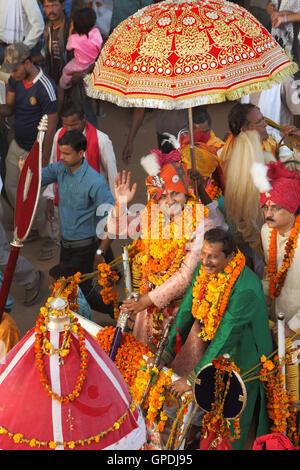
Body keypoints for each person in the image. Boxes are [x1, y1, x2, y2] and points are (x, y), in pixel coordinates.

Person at [108, 150, 227, 376]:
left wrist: (147, 300)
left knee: (177, 381)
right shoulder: (151, 215)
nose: (170, 201)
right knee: (146, 374)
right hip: (149, 310)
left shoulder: (203, 223)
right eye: (163, 197)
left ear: (186, 191)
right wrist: (120, 204)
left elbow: (185, 277)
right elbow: (116, 229)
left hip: (183, 314)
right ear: (154, 199)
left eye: (176, 194)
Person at [156, 228, 273, 450]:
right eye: (203, 254)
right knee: (214, 410)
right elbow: (186, 312)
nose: (205, 261)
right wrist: (167, 353)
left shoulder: (245, 288)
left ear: (230, 257)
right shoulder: (205, 269)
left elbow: (225, 337)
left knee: (235, 421)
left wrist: (191, 380)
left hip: (247, 356)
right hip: (219, 352)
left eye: (213, 256)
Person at [39, 129, 115, 314]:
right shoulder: (60, 168)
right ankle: (118, 313)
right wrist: (25, 167)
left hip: (85, 248)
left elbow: (113, 222)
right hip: (66, 245)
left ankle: (118, 313)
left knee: (60, 280)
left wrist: (99, 252)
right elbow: (37, 178)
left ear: (81, 154)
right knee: (82, 291)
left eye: (67, 153)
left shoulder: (95, 182)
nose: (62, 157)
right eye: (61, 153)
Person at [0, 42, 59, 261]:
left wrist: (43, 161)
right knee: (12, 188)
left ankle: (52, 238)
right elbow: (10, 108)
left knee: (41, 198)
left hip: (37, 151)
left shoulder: (45, 87)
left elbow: (51, 128)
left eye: (15, 68)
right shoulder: (15, 80)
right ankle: (31, 227)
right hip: (18, 146)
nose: (12, 74)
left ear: (27, 63)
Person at [43, 101, 118, 263]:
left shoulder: (102, 140)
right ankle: (107, 270)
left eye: (73, 124)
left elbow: (112, 174)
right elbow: (53, 164)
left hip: (96, 198)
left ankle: (107, 271)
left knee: (97, 236)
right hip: (72, 199)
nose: (68, 129)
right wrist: (50, 197)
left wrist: (114, 207)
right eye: (65, 124)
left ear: (84, 119)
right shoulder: (59, 136)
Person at [251, 160, 300, 338]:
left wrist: (293, 327)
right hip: (277, 319)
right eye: (266, 208)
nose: (268, 215)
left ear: (292, 209)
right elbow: (269, 273)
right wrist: (260, 307)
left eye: (276, 208)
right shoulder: (266, 231)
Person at [42, 0, 97, 126]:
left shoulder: (75, 27)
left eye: (54, 5)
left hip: (77, 85)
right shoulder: (47, 27)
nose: (51, 10)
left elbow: (94, 57)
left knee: (86, 120)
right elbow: (45, 53)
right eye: (47, 6)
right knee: (64, 122)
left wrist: (82, 73)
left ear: (62, 5)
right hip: (55, 80)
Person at [57, 7, 103, 111]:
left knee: (63, 79)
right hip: (93, 64)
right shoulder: (96, 33)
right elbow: (99, 46)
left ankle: (59, 107)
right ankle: (99, 109)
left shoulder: (74, 39)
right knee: (93, 90)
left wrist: (70, 31)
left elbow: (68, 47)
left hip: (78, 65)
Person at [122, 108, 189, 163]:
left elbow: (139, 110)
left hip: (188, 137)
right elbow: (139, 109)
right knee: (172, 174)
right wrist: (129, 142)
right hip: (166, 137)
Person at [0, 0, 44, 65]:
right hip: (1, 46)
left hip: (17, 48)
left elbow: (38, 26)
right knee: (2, 75)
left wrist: (23, 47)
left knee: (14, 74)